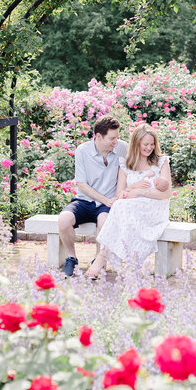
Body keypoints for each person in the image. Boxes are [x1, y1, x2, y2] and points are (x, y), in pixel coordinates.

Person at [86, 123, 171, 278]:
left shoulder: (161, 162)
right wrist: (134, 188)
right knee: (121, 206)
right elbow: (120, 194)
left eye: (152, 144)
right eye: (145, 144)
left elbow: (166, 194)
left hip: (155, 209)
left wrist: (140, 191)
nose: (149, 148)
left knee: (124, 208)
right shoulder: (126, 164)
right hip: (131, 208)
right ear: (136, 143)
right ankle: (130, 263)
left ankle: (102, 257)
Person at [58, 114, 127, 276]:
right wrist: (105, 199)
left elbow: (140, 158)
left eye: (117, 137)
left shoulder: (121, 147)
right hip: (85, 200)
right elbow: (81, 184)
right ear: (98, 136)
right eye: (112, 138)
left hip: (107, 204)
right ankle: (71, 258)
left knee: (104, 221)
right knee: (64, 219)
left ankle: (98, 261)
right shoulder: (82, 151)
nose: (116, 141)